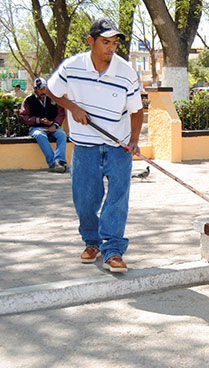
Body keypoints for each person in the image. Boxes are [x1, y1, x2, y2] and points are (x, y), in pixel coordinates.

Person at [45, 18, 144, 272]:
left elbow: (136, 111)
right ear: (91, 42)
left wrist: (134, 140)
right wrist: (73, 107)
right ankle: (92, 242)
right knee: (85, 201)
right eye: (105, 42)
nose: (111, 48)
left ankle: (113, 250)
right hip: (85, 146)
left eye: (114, 43)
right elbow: (51, 89)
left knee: (117, 199)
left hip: (118, 146)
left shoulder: (126, 73)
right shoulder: (72, 67)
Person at [19, 77, 67, 173]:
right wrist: (38, 120)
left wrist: (55, 125)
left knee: (62, 135)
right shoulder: (28, 100)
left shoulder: (54, 98)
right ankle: (52, 163)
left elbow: (61, 113)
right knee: (40, 135)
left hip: (52, 126)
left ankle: (60, 161)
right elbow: (24, 116)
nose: (43, 91)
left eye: (44, 88)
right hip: (37, 127)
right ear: (35, 89)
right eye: (40, 89)